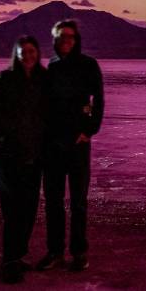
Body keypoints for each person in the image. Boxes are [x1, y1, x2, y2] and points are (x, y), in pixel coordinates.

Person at [0, 35, 48, 284]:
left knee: (28, 208)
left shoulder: (42, 80)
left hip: (34, 155)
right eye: (23, 51)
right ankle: (9, 260)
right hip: (8, 156)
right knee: (13, 208)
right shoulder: (4, 80)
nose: (28, 55)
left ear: (38, 53)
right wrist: (10, 130)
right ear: (16, 55)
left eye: (32, 51)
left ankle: (18, 254)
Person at [36, 19, 105, 272]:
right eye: (61, 37)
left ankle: (79, 253)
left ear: (76, 40)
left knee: (78, 201)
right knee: (53, 201)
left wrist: (89, 130)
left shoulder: (88, 65)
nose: (66, 41)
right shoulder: (51, 67)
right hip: (52, 145)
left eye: (70, 37)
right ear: (55, 40)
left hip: (77, 144)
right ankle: (54, 252)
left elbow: (97, 99)